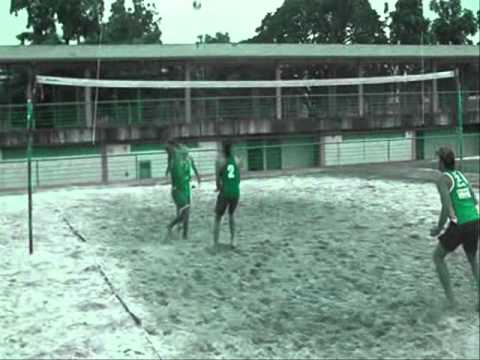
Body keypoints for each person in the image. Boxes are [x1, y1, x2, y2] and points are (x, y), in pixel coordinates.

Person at [430, 146, 479, 309]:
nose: (437, 163)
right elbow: (474, 199)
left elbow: (446, 207)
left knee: (438, 257)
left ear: (442, 163)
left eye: (438, 160)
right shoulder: (461, 176)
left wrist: (438, 228)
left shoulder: (443, 179)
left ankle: (451, 301)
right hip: (474, 220)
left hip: (460, 223)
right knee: (473, 261)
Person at [166, 144, 200, 240]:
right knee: (184, 211)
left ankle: (184, 233)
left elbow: (193, 167)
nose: (185, 153)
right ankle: (174, 225)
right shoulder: (175, 162)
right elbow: (172, 171)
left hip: (186, 188)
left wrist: (198, 177)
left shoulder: (189, 159)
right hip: (178, 189)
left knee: (186, 212)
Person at [214, 141, 241, 248]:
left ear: (222, 149)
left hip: (225, 191)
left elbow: (217, 181)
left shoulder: (220, 161)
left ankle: (216, 242)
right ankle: (233, 240)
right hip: (236, 191)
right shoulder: (238, 160)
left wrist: (218, 188)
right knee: (231, 215)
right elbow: (238, 179)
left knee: (218, 217)